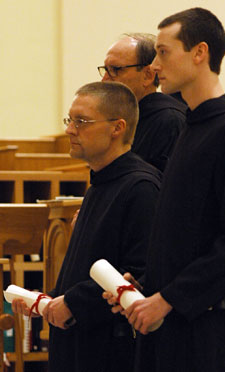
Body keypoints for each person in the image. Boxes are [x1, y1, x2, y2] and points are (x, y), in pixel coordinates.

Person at [104, 8, 225, 372]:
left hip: (210, 331)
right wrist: (146, 283)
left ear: (199, 52)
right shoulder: (189, 126)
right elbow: (186, 231)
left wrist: (168, 298)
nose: (154, 65)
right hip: (174, 322)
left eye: (164, 52)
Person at [11, 81, 162, 372]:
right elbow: (89, 264)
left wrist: (75, 303)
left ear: (117, 127)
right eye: (70, 120)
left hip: (110, 351)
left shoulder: (141, 187)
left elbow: (139, 274)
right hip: (78, 345)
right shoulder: (100, 182)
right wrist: (48, 300)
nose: (69, 129)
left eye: (81, 121)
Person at [98, 33, 186, 172]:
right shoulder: (121, 119)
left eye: (115, 70)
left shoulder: (168, 121)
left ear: (148, 76)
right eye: (105, 70)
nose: (105, 80)